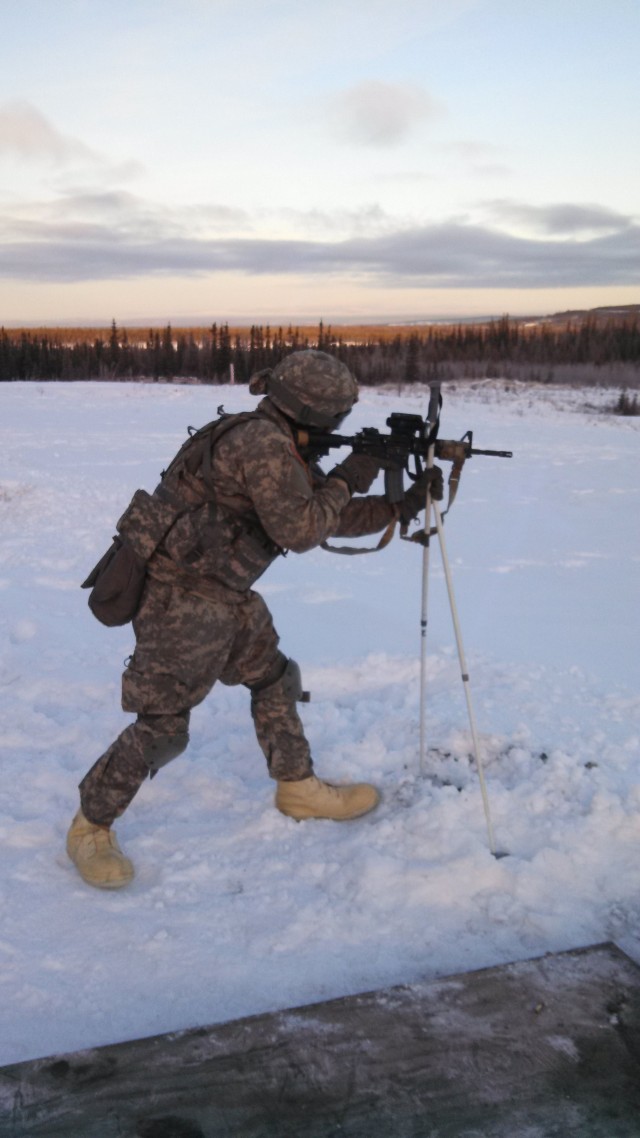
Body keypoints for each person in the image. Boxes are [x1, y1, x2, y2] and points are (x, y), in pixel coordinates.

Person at [67, 350, 443, 889]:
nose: (339, 426)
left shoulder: (271, 436)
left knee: (273, 677)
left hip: (225, 590)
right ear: (314, 413)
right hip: (182, 599)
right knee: (163, 728)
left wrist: (397, 508)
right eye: (337, 418)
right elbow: (303, 528)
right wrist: (354, 473)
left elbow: (312, 510)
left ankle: (297, 786)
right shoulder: (262, 445)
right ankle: (90, 826)